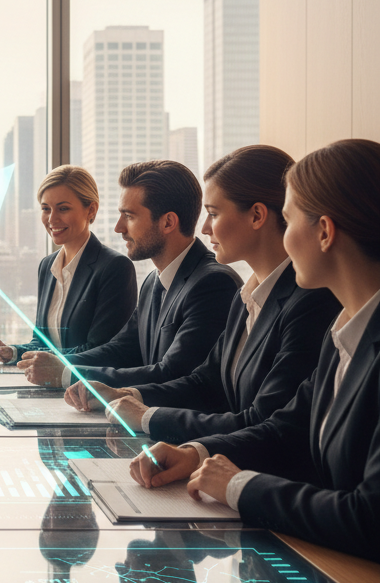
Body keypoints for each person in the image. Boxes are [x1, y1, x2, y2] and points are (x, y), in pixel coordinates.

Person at [131, 139, 380, 562]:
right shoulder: (344, 332)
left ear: (324, 231)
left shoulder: (328, 317)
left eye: (289, 217)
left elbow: (369, 516)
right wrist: (196, 454)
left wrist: (236, 485)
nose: (285, 234)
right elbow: (288, 426)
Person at [67, 146, 339, 442]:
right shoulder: (246, 297)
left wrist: (148, 416)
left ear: (258, 215)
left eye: (213, 214)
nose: (204, 227)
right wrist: (129, 394)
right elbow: (206, 381)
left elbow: (267, 422)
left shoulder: (301, 301)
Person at [20, 159, 240, 391]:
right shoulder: (153, 281)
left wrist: (67, 375)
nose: (119, 227)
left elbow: (172, 373)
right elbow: (121, 349)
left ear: (168, 222)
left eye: (129, 216)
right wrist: (57, 364)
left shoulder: (213, 284)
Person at [0, 165, 136, 364]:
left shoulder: (115, 268)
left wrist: (42, 360)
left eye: (63, 209)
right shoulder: (47, 266)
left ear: (91, 209)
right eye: (46, 209)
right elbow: (42, 343)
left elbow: (100, 349)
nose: (52, 219)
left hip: (88, 388)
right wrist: (11, 352)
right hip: (48, 384)